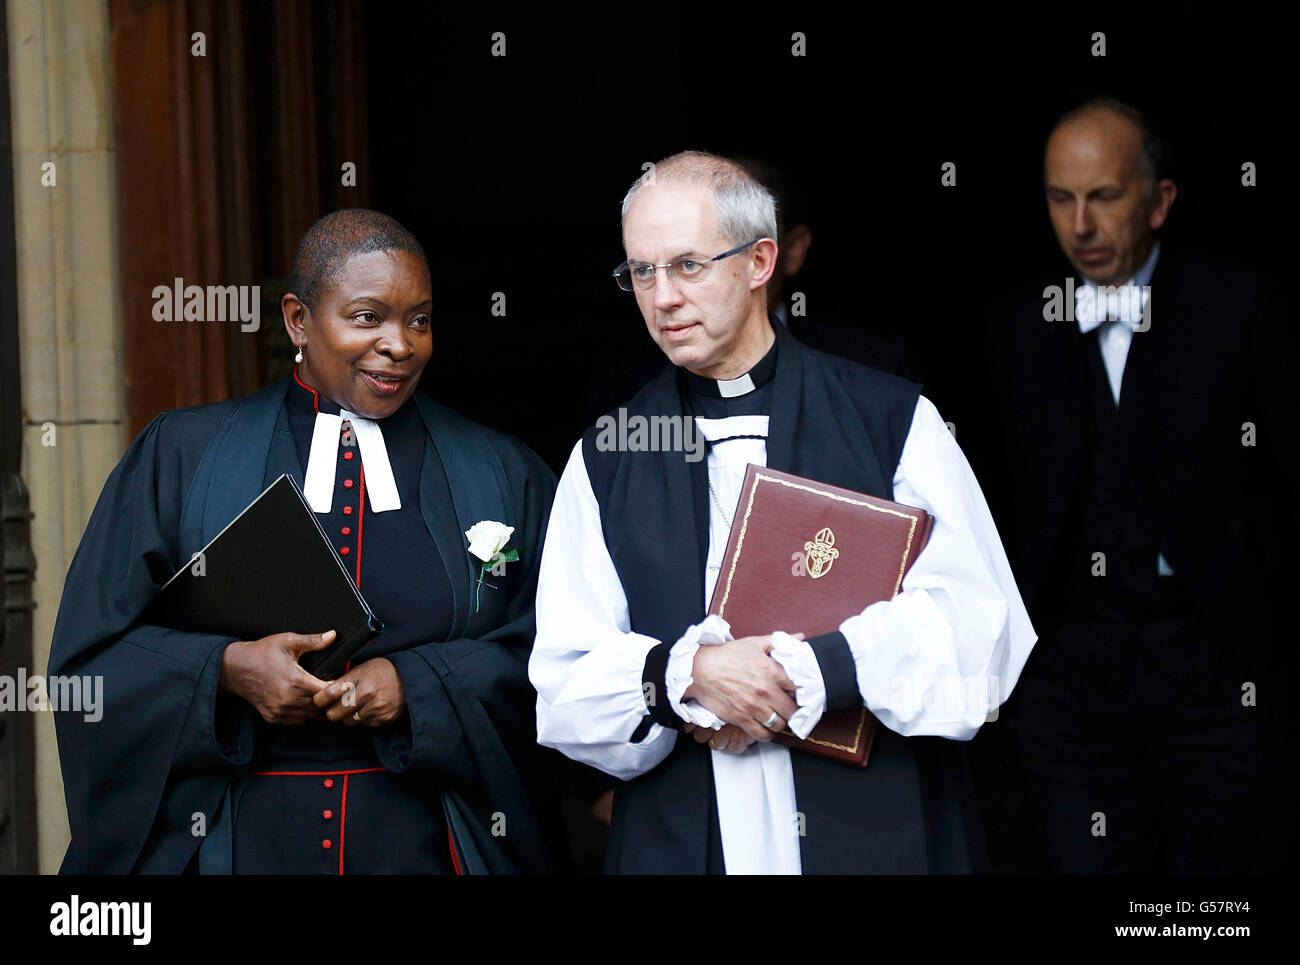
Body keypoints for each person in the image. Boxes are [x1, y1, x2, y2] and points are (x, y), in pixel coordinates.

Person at [529, 151, 1036, 874]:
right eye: (641, 271)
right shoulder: (610, 456)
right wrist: (689, 675)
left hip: (872, 817)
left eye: (688, 265)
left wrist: (817, 668)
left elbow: (980, 627)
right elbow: (564, 682)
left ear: (761, 259)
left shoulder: (890, 419)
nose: (662, 296)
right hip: (688, 827)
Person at [49, 209, 562, 874]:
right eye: (368, 316)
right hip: (234, 841)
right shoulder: (180, 455)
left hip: (429, 842)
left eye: (420, 320)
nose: (399, 344)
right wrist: (227, 671)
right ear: (298, 320)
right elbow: (92, 664)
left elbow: (558, 660)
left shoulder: (501, 469)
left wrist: (420, 685)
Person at [978, 98, 1296, 872]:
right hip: (1071, 676)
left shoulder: (1242, 309)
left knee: (1213, 904)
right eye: (1061, 198)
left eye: (1104, 196)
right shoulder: (1016, 328)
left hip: (1214, 669)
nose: (1080, 224)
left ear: (1160, 200)